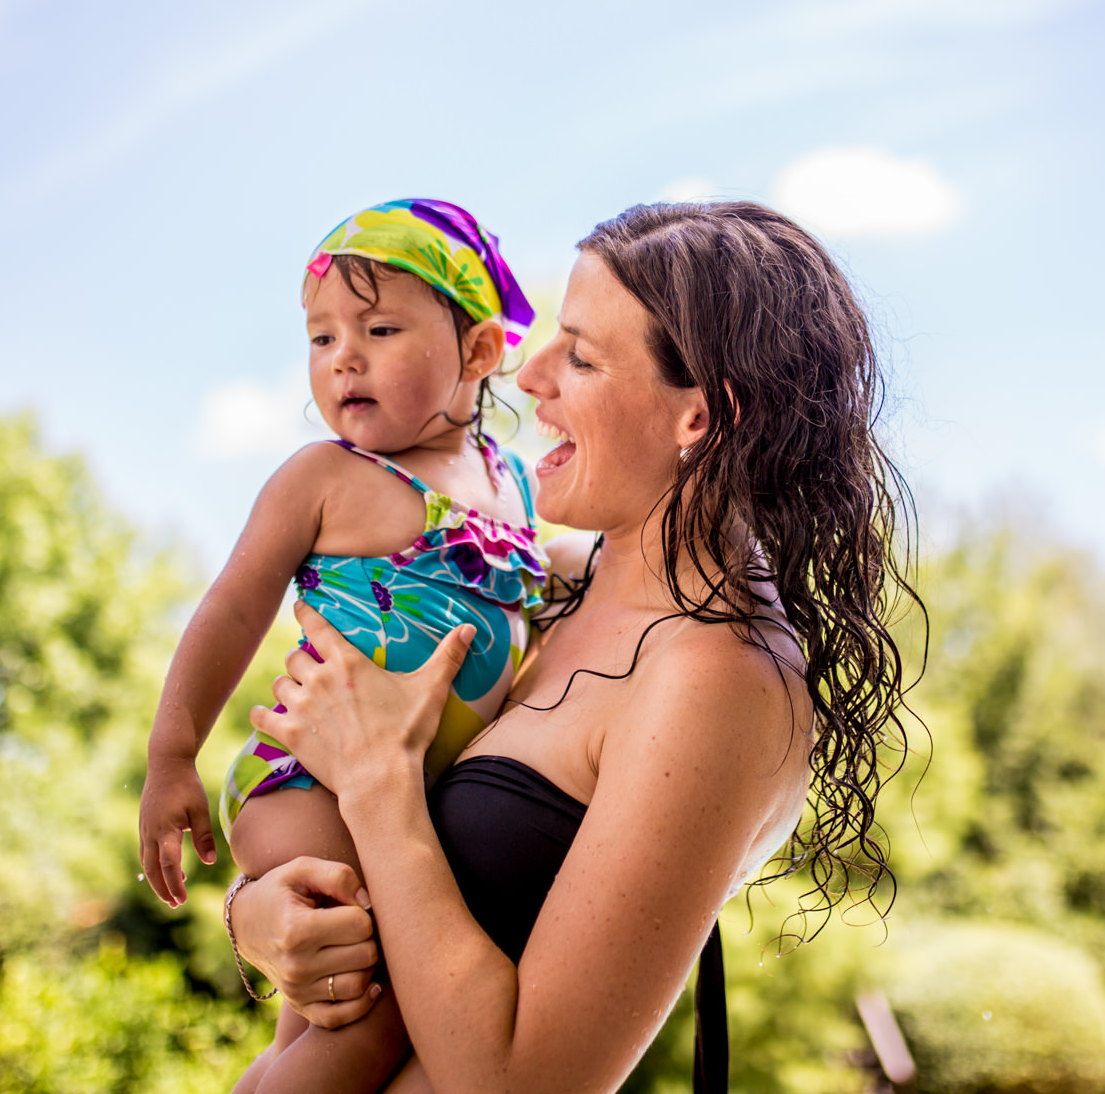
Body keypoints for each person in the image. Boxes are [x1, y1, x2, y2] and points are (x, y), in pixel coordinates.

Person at [227, 201, 920, 1093]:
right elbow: (377, 895)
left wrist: (376, 783)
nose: (528, 371)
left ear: (700, 417)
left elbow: (524, 1081)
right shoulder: (551, 581)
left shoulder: (718, 676)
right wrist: (261, 917)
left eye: (582, 356)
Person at [137, 199, 548, 1094]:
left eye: (380, 327)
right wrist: (172, 754)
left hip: (402, 798)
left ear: (478, 351)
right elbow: (232, 610)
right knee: (373, 1015)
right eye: (321, 338)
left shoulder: (516, 487)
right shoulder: (326, 476)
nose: (343, 357)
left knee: (319, 1026)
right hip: (311, 782)